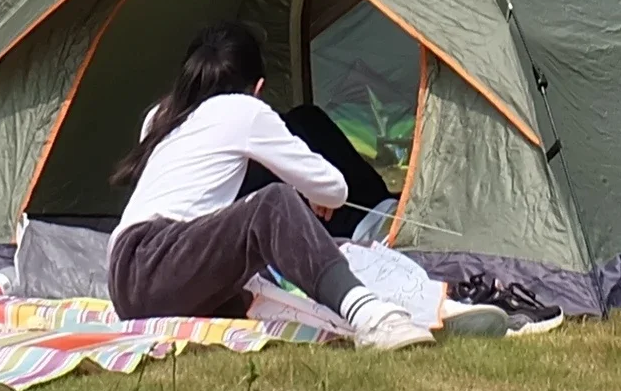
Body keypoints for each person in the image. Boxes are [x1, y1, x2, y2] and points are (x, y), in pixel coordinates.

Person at [108, 19, 435, 349]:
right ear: (258, 87)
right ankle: (372, 317)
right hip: (155, 261)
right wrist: (309, 192)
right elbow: (335, 188)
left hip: (125, 277)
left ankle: (357, 306)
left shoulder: (160, 116)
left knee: (251, 293)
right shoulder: (243, 109)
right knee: (274, 202)